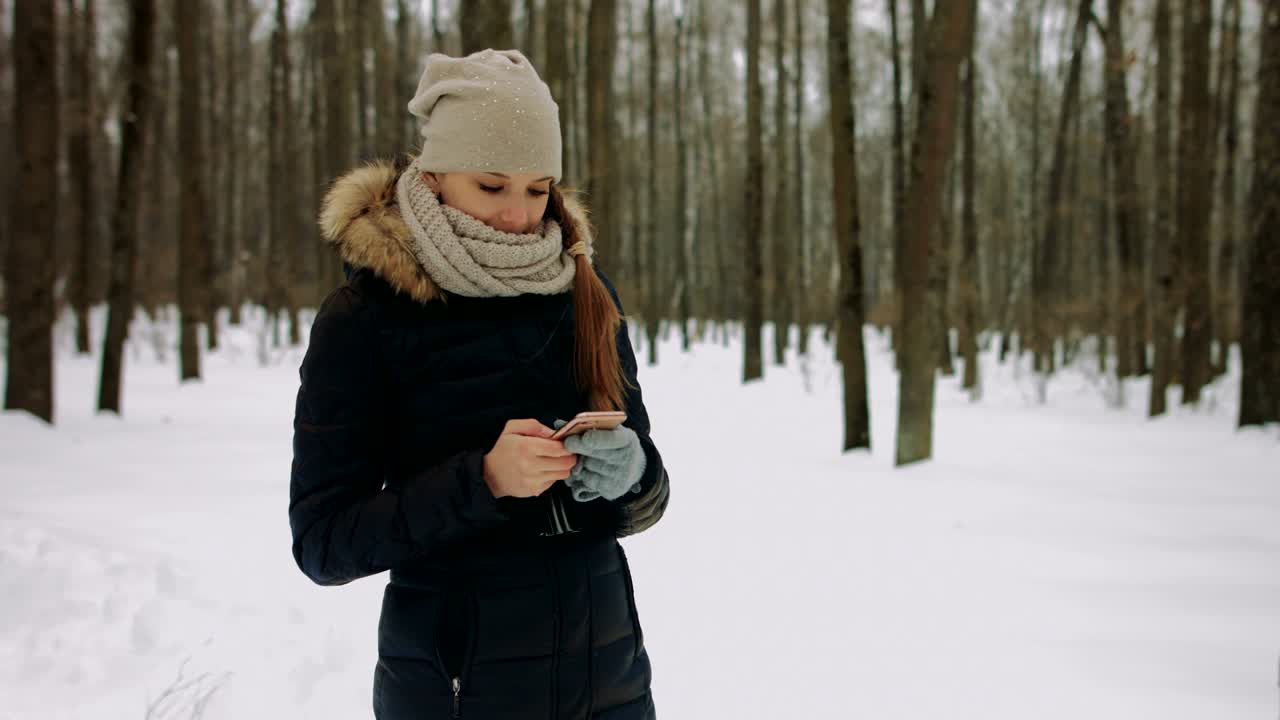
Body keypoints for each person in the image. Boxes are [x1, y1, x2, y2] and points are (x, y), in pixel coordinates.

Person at [288, 49, 670, 719]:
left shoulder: (584, 289)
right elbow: (323, 542)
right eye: (491, 186)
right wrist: (483, 480)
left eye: (536, 188)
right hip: (455, 691)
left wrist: (632, 472)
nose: (519, 214)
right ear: (434, 176)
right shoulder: (366, 318)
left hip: (607, 682)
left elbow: (646, 499)